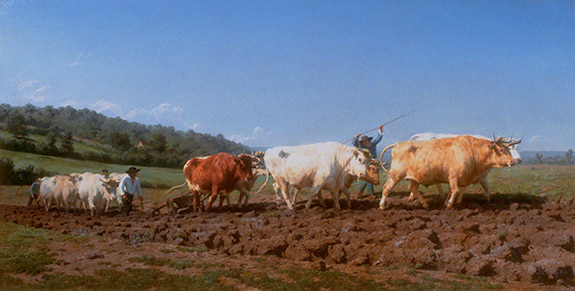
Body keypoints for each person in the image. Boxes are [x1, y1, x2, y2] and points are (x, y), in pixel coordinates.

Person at [352, 125, 384, 197]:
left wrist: (380, 130)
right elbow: (354, 143)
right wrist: (356, 137)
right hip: (366, 163)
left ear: (368, 141)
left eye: (366, 141)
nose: (366, 143)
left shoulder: (373, 143)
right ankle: (371, 193)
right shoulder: (361, 146)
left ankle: (360, 191)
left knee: (368, 178)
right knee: (370, 177)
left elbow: (378, 138)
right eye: (364, 142)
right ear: (362, 143)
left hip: (373, 162)